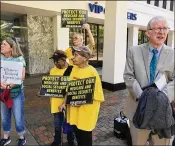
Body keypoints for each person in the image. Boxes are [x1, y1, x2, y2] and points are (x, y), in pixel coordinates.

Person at [123, 16, 174, 145]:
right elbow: (129, 76)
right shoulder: (134, 51)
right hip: (137, 108)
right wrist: (144, 98)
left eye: (165, 28)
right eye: (158, 28)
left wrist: (161, 98)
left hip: (162, 111)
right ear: (148, 32)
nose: (162, 32)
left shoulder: (173, 54)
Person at [60, 46, 104, 146]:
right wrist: (64, 103)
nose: (72, 58)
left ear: (84, 58)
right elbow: (69, 89)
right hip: (75, 111)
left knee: (85, 139)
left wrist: (80, 101)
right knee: (78, 136)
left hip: (86, 112)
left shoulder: (92, 72)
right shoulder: (74, 69)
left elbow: (97, 95)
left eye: (76, 55)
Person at [0, 37, 27, 146]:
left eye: (4, 44)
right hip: (3, 92)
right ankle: (6, 137)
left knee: (18, 115)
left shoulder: (20, 59)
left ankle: (22, 137)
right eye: (1, 44)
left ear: (11, 48)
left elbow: (22, 76)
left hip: (16, 93)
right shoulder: (0, 58)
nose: (1, 45)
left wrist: (12, 84)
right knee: (4, 115)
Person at [49, 50, 74, 146]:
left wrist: (64, 102)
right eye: (54, 60)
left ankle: (71, 142)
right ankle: (57, 141)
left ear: (64, 60)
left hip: (67, 103)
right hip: (55, 102)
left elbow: (72, 89)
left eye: (57, 60)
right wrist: (43, 92)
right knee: (57, 124)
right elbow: (50, 86)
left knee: (69, 124)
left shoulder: (72, 70)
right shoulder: (53, 70)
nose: (55, 63)